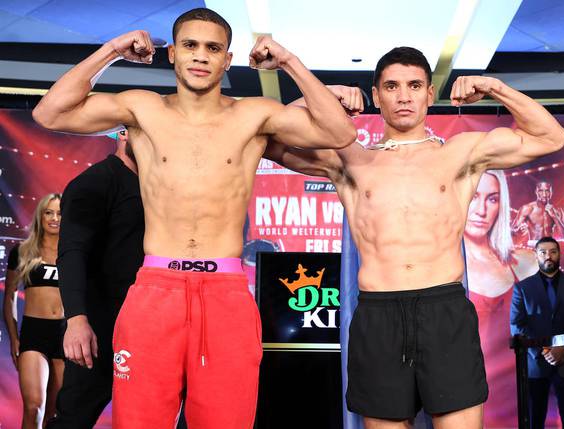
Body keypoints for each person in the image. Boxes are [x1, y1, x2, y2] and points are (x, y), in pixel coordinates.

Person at [32, 7, 356, 428]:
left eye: (213, 48)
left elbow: (339, 133)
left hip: (225, 294)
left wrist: (289, 61)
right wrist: (112, 50)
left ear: (227, 59)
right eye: (190, 45)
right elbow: (50, 113)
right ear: (173, 54)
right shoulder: (142, 109)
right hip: (155, 290)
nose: (201, 56)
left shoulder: (254, 115)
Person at [264, 46, 564, 428]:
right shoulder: (350, 159)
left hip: (444, 310)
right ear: (376, 96)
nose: (404, 96)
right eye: (392, 86)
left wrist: (494, 87)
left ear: (430, 93)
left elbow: (550, 136)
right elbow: (271, 138)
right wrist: (326, 95)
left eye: (414, 85)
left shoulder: (461, 153)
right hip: (378, 314)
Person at [45, 130, 147, 428]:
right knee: (74, 419)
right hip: (98, 325)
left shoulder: (158, 187)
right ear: (123, 133)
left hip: (148, 323)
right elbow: (71, 253)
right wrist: (77, 320)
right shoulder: (94, 182)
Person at [464, 170, 536, 426]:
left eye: (492, 199)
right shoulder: (443, 266)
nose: (481, 210)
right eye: (473, 196)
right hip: (465, 399)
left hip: (522, 395)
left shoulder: (525, 263)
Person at [510, 236, 564, 429]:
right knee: (533, 422)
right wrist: (543, 350)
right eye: (543, 252)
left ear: (559, 254)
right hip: (535, 365)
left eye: (553, 251)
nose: (548, 256)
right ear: (536, 255)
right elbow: (517, 325)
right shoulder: (522, 288)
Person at [2, 193, 64, 428]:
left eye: (60, 213)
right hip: (34, 334)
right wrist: (14, 338)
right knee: (34, 407)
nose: (54, 218)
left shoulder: (73, 254)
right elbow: (9, 297)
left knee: (55, 414)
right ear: (41, 216)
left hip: (65, 336)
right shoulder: (23, 251)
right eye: (49, 212)